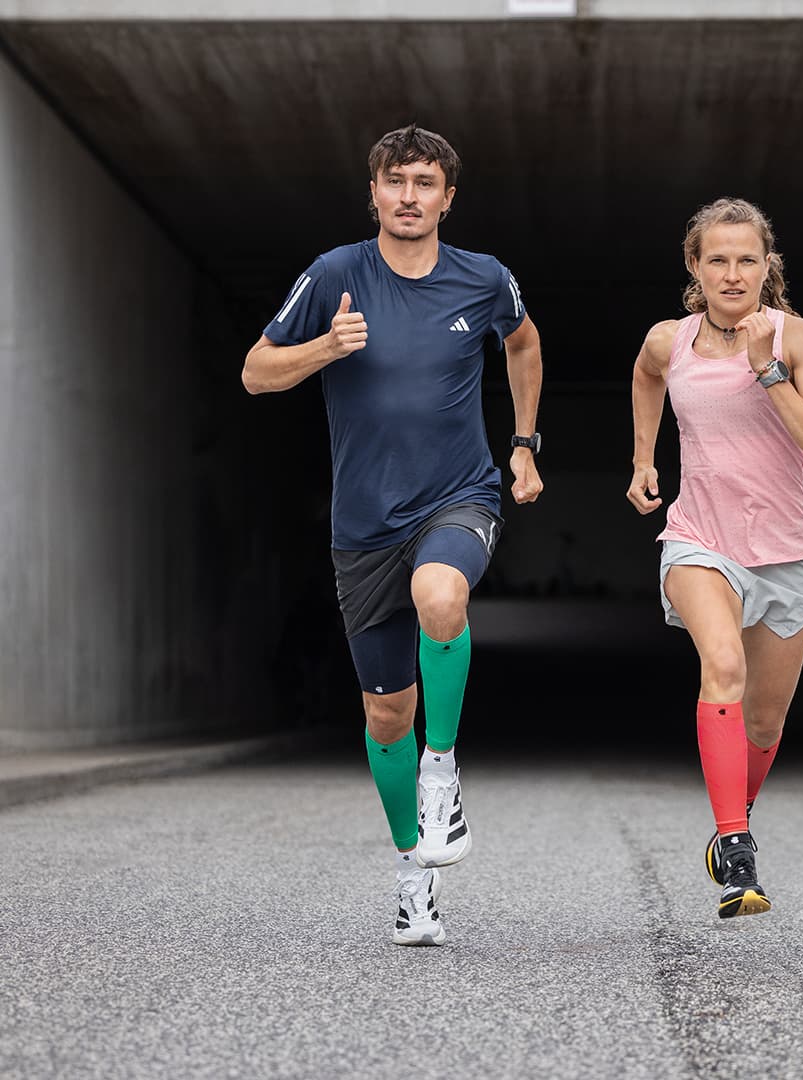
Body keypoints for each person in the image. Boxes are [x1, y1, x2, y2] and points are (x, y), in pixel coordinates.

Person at [242, 124, 544, 946]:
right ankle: (414, 869)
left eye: (424, 182)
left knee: (440, 594)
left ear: (449, 197)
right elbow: (255, 371)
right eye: (394, 181)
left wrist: (522, 445)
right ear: (371, 192)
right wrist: (321, 347)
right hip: (364, 524)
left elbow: (522, 343)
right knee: (384, 716)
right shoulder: (337, 274)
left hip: (460, 493)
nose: (408, 196)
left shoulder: (485, 279)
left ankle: (442, 771)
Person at [626, 196, 803, 920]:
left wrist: (767, 371)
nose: (732, 272)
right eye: (716, 258)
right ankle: (736, 846)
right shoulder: (671, 339)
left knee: (764, 723)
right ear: (695, 266)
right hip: (699, 539)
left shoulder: (798, 337)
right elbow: (646, 375)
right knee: (721, 664)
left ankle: (733, 815)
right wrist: (642, 458)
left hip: (785, 551)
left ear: (765, 266)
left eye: (746, 258)